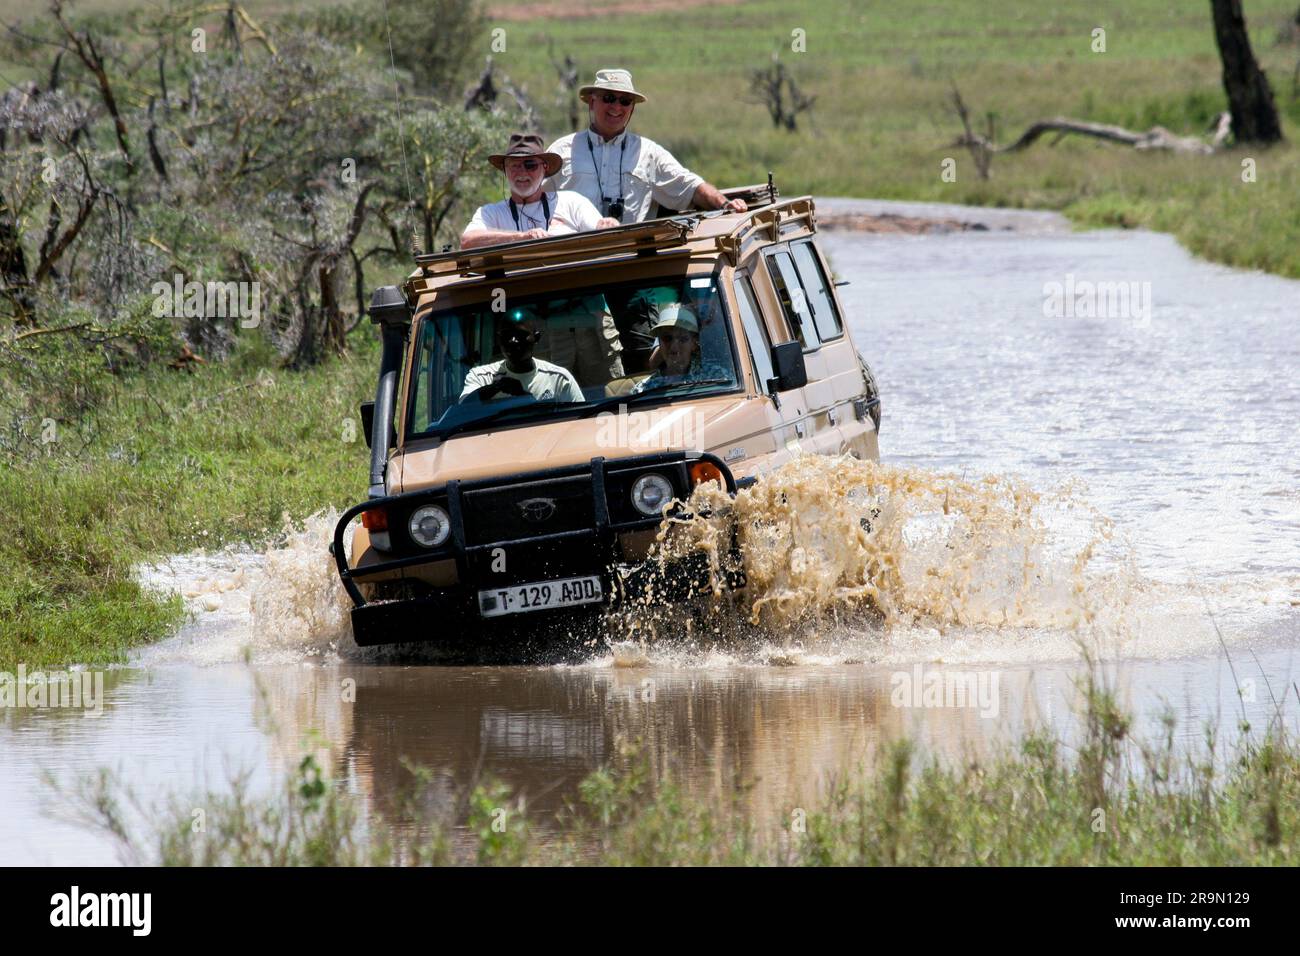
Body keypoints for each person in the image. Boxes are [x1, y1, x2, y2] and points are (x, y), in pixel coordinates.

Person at [545, 69, 748, 224]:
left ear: (632, 108)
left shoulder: (650, 153)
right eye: (608, 98)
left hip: (632, 260)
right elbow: (532, 202)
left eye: (625, 101)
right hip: (572, 258)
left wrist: (725, 204)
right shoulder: (561, 150)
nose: (616, 107)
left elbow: (691, 187)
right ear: (592, 102)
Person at [461, 132, 619, 249]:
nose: (522, 173)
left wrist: (607, 225)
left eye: (530, 165)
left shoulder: (571, 201)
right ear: (505, 170)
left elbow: (601, 229)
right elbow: (468, 241)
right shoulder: (490, 213)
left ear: (545, 168)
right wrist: (522, 237)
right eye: (515, 165)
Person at [461, 309, 584, 404]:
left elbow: (578, 424)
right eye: (506, 335)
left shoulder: (558, 379)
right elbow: (461, 412)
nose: (513, 341)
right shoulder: (482, 377)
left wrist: (524, 397)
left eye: (520, 335)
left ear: (536, 338)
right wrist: (494, 388)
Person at [630, 304, 731, 395]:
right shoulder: (643, 389)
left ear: (693, 344)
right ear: (659, 343)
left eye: (683, 339)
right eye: (667, 338)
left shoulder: (716, 377)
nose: (673, 347)